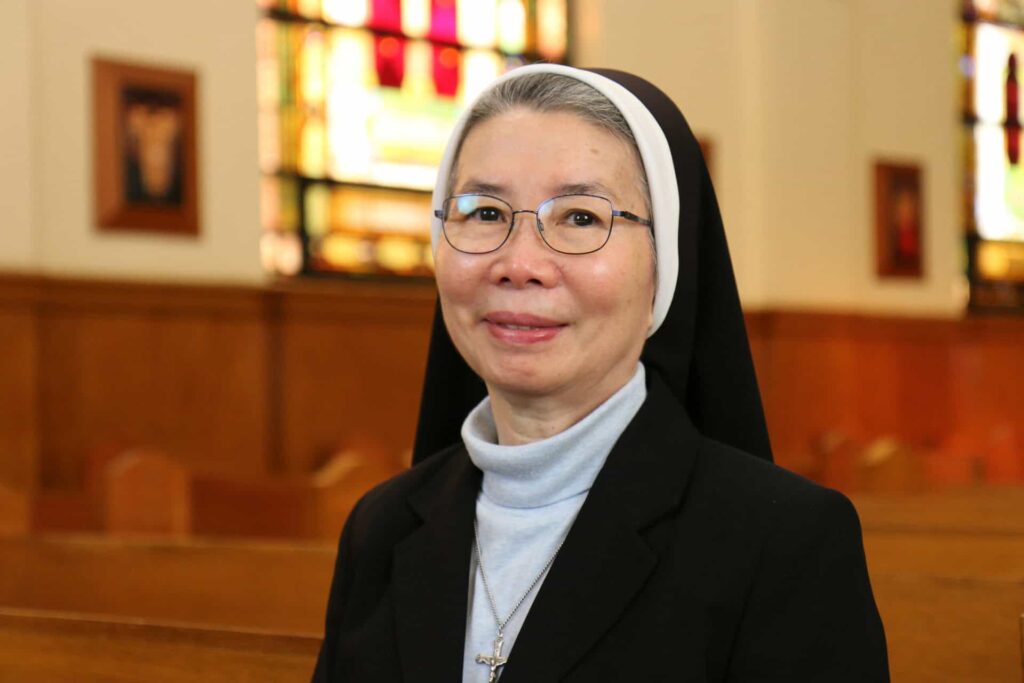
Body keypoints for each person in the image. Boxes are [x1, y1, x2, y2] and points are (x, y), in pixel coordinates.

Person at [313, 64, 889, 682]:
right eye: (484, 213)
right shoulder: (382, 527)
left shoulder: (784, 543)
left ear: (663, 267)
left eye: (581, 217)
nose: (519, 264)